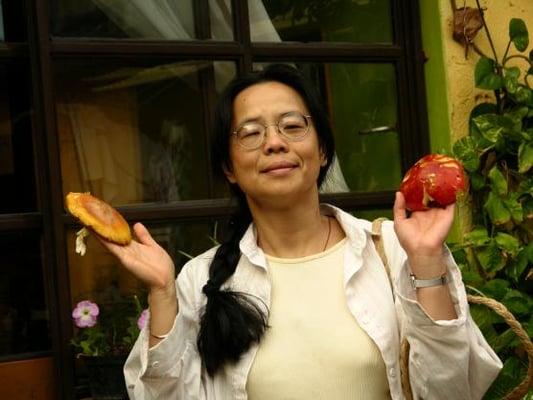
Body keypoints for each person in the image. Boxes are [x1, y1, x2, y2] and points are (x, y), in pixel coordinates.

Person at [99, 64, 502, 399]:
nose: (275, 143)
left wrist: (428, 262)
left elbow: (455, 393)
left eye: (292, 126)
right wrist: (163, 293)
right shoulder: (200, 281)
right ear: (229, 168)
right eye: (251, 133)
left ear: (322, 150)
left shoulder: (396, 252)